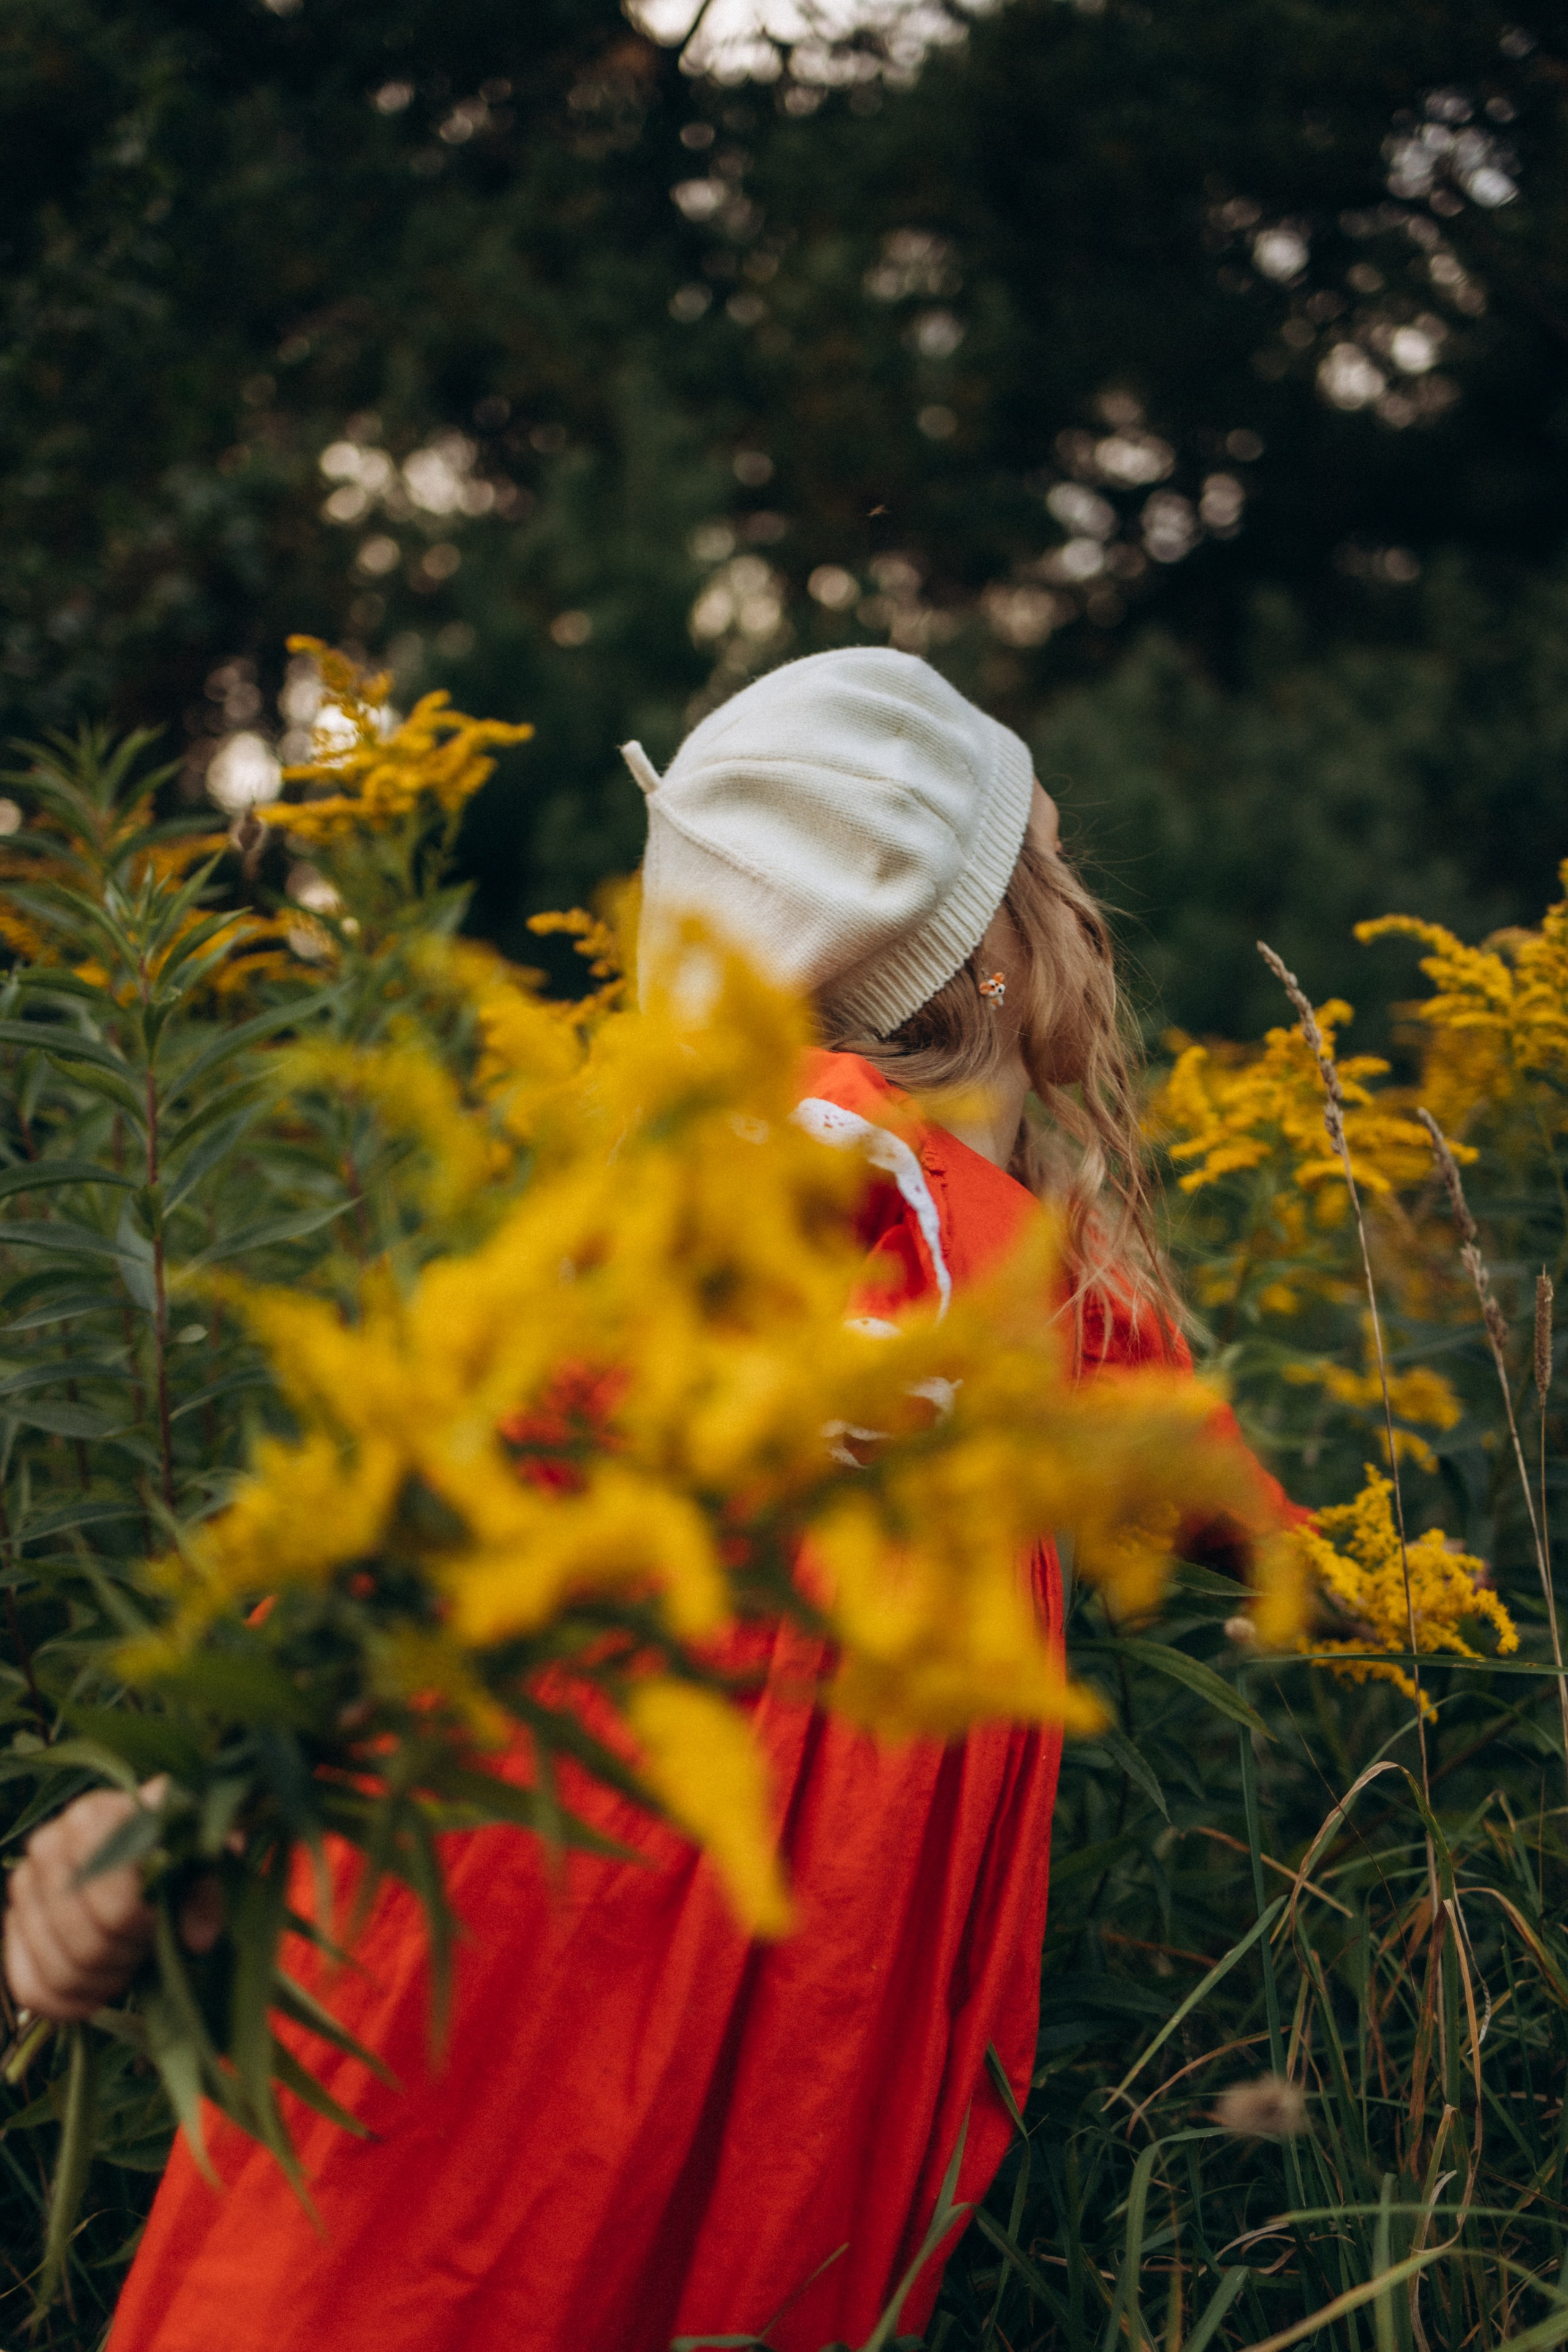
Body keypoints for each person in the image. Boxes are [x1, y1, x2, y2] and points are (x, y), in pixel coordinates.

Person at [4, 649, 1280, 2351]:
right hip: (558, 2072)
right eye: (1042, 849)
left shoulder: (965, 1261)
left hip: (592, 2075)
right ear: (988, 942)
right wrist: (169, 1828)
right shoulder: (803, 1233)